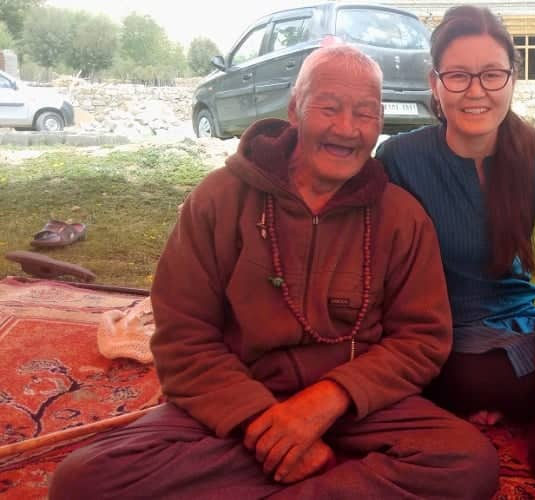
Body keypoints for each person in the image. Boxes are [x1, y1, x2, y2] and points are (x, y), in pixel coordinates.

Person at [49, 44, 498, 499]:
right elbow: (183, 336)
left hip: (356, 406)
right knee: (83, 480)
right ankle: (314, 470)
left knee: (467, 462)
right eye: (329, 108)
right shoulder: (220, 199)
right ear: (294, 110)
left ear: (380, 122)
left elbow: (421, 340)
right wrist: (265, 425)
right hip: (237, 400)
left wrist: (325, 402)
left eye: (365, 112)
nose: (347, 128)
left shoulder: (400, 215)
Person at [376, 5, 535, 424]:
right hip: (436, 338)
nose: (476, 91)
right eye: (458, 75)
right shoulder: (398, 159)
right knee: (471, 378)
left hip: (520, 327)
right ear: (434, 83)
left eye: (492, 74)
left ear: (513, 77)